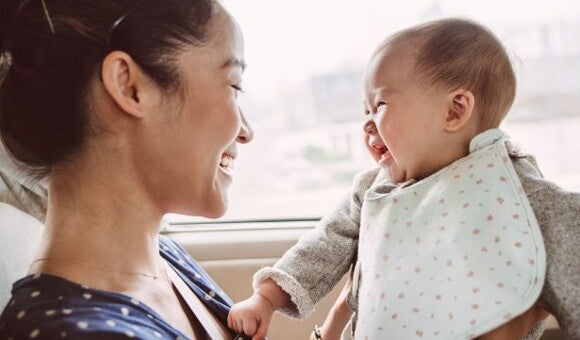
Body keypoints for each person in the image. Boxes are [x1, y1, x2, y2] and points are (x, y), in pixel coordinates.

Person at [228, 18, 580, 339]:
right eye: (364, 110)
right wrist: (265, 299)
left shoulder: (516, 195)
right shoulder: (373, 191)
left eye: (379, 105)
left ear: (455, 110)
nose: (366, 124)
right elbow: (321, 248)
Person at [0, 0, 254, 338]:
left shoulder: (166, 262)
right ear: (130, 86)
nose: (246, 130)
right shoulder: (72, 333)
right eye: (233, 85)